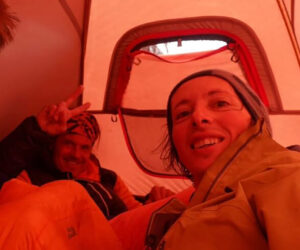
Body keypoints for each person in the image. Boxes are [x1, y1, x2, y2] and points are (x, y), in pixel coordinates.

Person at [110, 69, 300, 250]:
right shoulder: (181, 213)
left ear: (255, 119)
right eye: (183, 113)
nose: (198, 117)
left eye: (220, 103)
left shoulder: (287, 178)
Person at [0, 86, 174, 219]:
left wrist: (154, 205)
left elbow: (133, 214)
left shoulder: (108, 179)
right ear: (54, 144)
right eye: (68, 144)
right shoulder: (30, 176)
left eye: (85, 147)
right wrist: (37, 129)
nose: (76, 154)